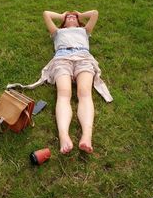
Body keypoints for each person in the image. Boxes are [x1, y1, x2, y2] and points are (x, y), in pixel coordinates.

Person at [7, 10, 113, 154]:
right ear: (62, 22)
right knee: (63, 94)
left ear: (79, 21)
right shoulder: (57, 32)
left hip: (83, 58)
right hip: (62, 59)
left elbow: (94, 13)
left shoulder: (84, 30)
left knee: (85, 93)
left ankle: (87, 136)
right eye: (67, 16)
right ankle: (64, 136)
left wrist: (79, 15)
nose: (71, 16)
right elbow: (45, 14)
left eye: (74, 17)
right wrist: (62, 16)